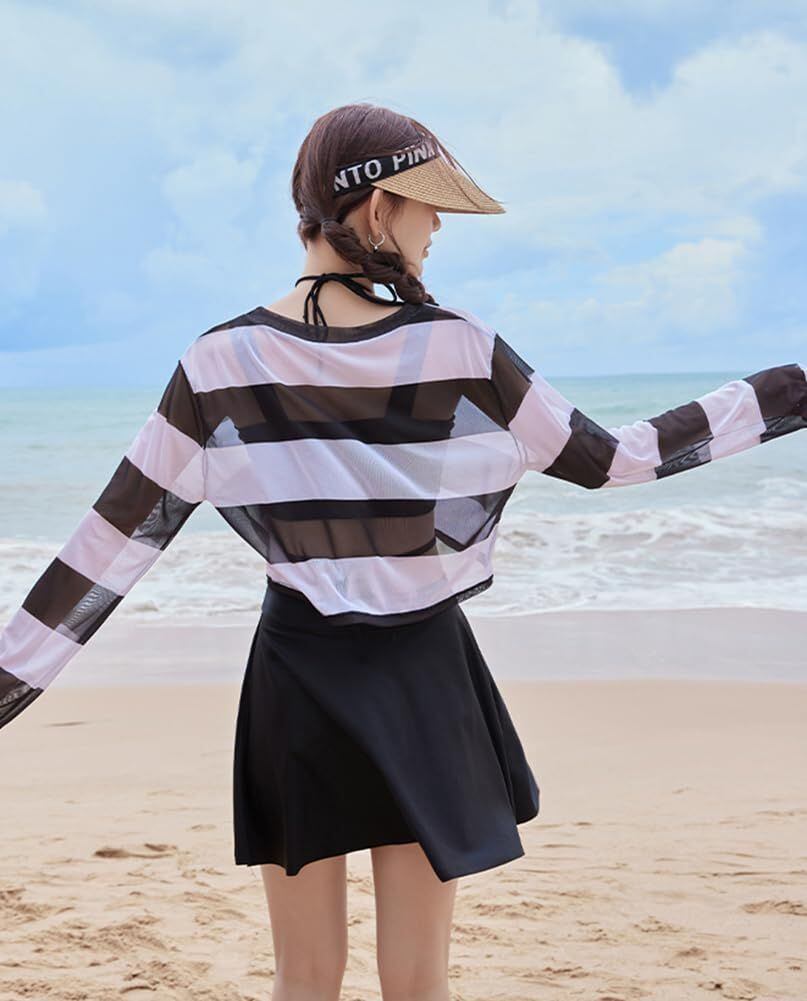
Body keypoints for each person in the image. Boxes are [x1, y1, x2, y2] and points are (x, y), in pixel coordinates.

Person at [1, 102, 805, 1001]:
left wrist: (5, 680)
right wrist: (785, 391)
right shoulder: (457, 344)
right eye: (429, 207)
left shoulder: (218, 360)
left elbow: (114, 540)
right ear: (379, 207)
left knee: (303, 976)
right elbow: (610, 459)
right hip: (423, 670)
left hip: (296, 672)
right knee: (418, 981)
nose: (437, 231)